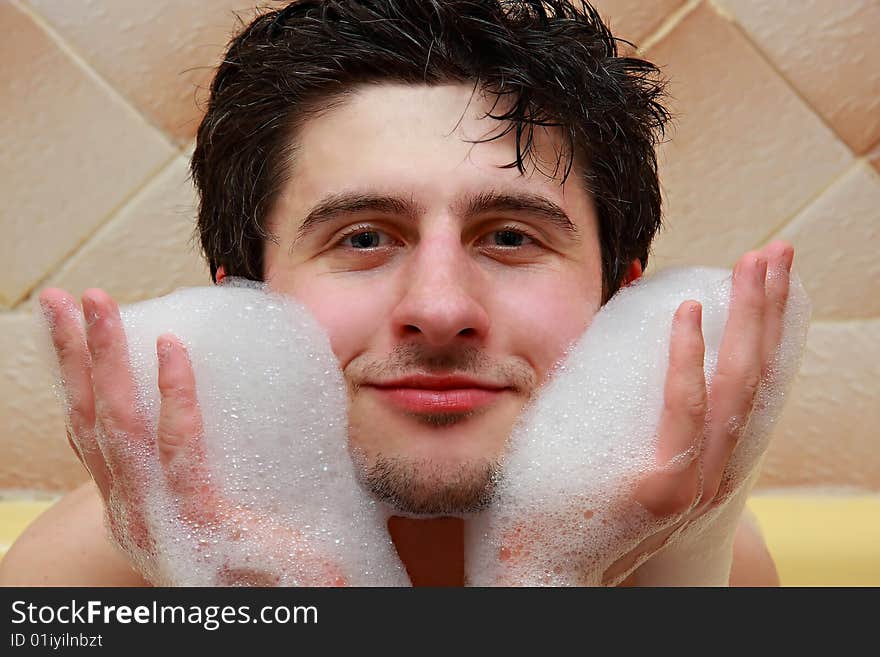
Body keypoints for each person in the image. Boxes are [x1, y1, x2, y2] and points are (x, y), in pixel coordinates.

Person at [0, 0, 784, 587]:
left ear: (618, 298)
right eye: (364, 238)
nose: (441, 309)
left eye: (511, 237)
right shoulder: (81, 587)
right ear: (246, 293)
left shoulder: (696, 568)